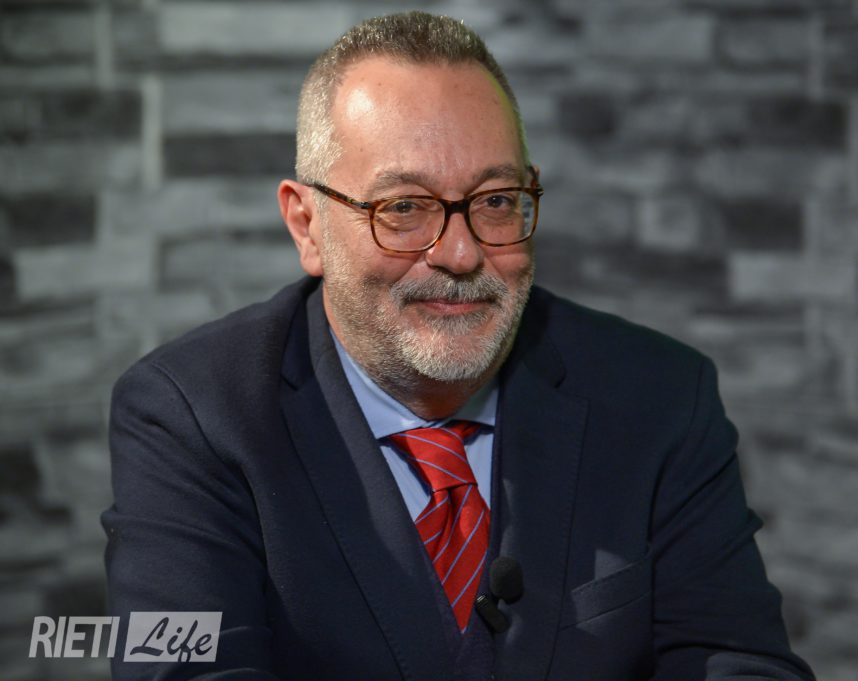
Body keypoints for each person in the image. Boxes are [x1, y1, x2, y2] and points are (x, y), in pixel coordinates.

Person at [102, 11, 815, 681]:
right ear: (307, 225)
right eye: (404, 208)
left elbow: (740, 662)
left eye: (496, 201)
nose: (461, 253)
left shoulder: (661, 396)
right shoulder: (188, 416)